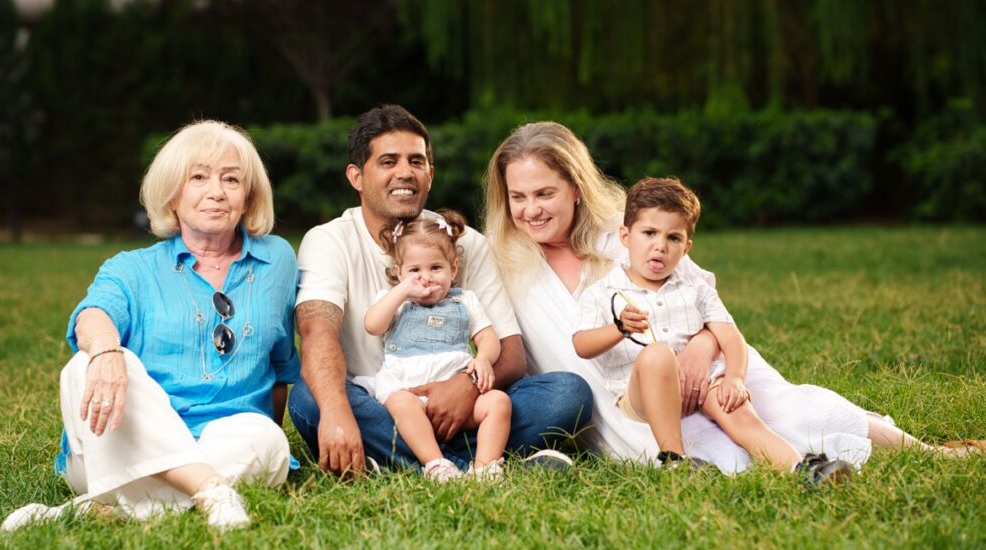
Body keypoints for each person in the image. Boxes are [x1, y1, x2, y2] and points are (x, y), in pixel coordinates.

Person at [484, 121, 963, 473]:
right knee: (721, 453)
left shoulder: (628, 233)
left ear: (576, 188)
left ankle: (930, 453)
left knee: (790, 410)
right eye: (518, 197)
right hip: (632, 403)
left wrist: (701, 348)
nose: (530, 211)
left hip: (704, 366)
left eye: (544, 193)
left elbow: (707, 305)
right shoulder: (505, 263)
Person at [2, 120, 298, 531]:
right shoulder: (132, 267)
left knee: (267, 440)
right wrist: (105, 352)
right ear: (172, 195)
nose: (216, 191)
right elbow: (93, 314)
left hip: (226, 442)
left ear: (248, 196)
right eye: (198, 177)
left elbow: (281, 365)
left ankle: (91, 511)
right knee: (83, 366)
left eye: (231, 179)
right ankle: (211, 489)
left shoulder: (277, 260)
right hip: (122, 447)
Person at [288, 105, 592, 477]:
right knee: (310, 400)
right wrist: (336, 413)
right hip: (385, 404)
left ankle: (402, 460)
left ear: (430, 175)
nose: (405, 172)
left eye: (416, 161)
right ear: (356, 176)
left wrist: (464, 386)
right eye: (388, 161)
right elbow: (317, 333)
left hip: (467, 407)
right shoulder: (328, 241)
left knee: (567, 394)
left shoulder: (463, 243)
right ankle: (469, 466)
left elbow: (511, 355)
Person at [574, 177, 854, 483]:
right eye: (649, 233)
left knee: (738, 410)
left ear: (686, 247)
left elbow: (731, 336)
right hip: (642, 392)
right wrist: (618, 328)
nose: (660, 246)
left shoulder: (695, 288)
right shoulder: (603, 293)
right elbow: (582, 344)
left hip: (699, 384)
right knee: (657, 355)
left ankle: (802, 469)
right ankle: (674, 460)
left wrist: (733, 377)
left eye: (673, 238)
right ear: (625, 236)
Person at [355, 210, 512, 481]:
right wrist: (402, 290)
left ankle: (485, 468)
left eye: (435, 268)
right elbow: (373, 324)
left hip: (458, 401)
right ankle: (437, 464)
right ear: (398, 273)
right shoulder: (395, 300)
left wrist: (484, 358)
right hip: (410, 394)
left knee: (499, 402)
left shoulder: (465, 301)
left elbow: (487, 337)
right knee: (400, 402)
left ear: (453, 268)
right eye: (414, 270)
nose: (425, 277)